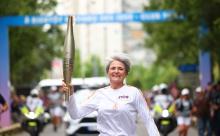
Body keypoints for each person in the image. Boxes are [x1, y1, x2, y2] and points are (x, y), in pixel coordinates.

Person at [62, 53, 160, 136]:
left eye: (120, 69)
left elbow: (148, 120)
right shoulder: (99, 94)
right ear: (108, 72)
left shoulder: (134, 93)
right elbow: (75, 114)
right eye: (113, 68)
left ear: (126, 73)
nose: (116, 71)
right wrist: (71, 94)